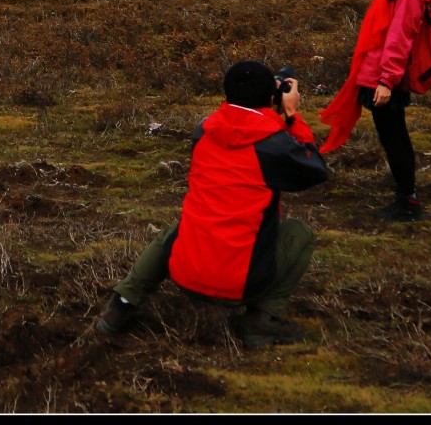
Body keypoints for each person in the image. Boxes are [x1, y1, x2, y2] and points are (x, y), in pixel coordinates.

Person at [95, 60, 328, 348]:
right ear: (271, 99)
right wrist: (291, 114)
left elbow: (235, 120)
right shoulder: (275, 146)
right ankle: (263, 319)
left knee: (177, 230)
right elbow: (315, 168)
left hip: (186, 273)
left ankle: (121, 305)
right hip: (243, 282)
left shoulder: (203, 131)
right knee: (299, 233)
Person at [318, 0, 431, 221]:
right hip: (380, 75)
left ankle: (407, 201)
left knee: (394, 138)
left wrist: (386, 81)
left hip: (386, 79)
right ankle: (406, 195)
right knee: (393, 136)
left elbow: (400, 39)